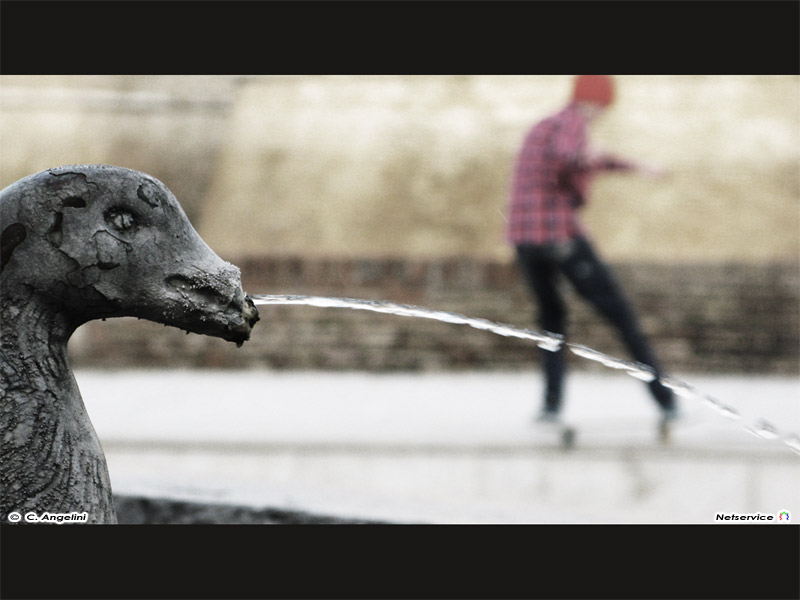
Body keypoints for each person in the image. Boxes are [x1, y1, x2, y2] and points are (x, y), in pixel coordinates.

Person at [506, 75, 677, 425]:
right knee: (620, 314)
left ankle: (551, 407)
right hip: (560, 238)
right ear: (596, 103)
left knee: (551, 321)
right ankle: (666, 399)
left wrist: (625, 165)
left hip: (525, 242)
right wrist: (599, 159)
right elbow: (568, 158)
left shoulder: (542, 125)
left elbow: (559, 164)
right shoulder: (573, 123)